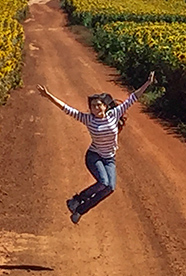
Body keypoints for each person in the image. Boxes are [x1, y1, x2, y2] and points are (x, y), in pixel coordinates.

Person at [37, 72, 155, 224]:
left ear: (105, 106)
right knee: (103, 183)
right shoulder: (87, 119)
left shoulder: (115, 114)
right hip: (94, 156)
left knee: (110, 188)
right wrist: (48, 96)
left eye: (99, 104)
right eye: (93, 106)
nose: (96, 107)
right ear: (90, 109)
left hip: (109, 159)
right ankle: (77, 199)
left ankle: (79, 210)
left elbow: (132, 98)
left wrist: (147, 83)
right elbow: (66, 108)